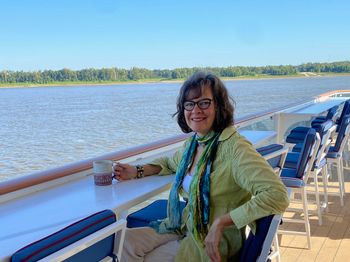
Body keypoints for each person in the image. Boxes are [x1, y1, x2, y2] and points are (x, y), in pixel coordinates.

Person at [114, 72, 289, 262]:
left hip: (213, 242)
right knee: (124, 244)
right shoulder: (193, 145)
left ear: (219, 106)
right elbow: (170, 163)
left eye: (204, 102)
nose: (195, 110)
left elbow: (277, 194)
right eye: (189, 104)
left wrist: (221, 222)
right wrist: (136, 171)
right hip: (185, 224)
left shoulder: (235, 148)